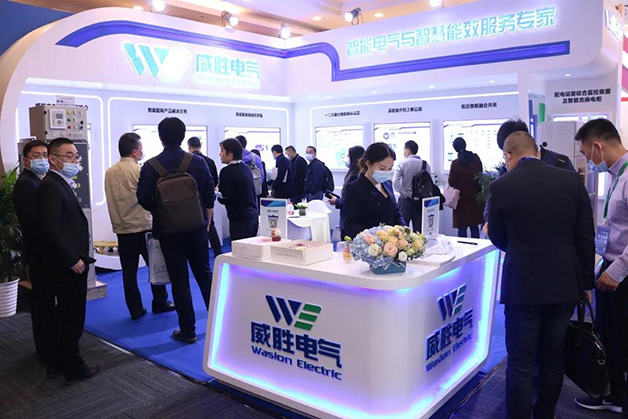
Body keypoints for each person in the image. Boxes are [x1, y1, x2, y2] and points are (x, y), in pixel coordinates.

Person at [488, 131, 595, 419]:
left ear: (508, 156)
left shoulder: (501, 186)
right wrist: (586, 284)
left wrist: (519, 249)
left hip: (522, 285)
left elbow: (497, 236)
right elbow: (585, 237)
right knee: (552, 359)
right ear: (537, 151)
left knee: (521, 362)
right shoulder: (570, 181)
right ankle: (545, 415)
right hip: (564, 284)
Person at [137, 117, 214, 344]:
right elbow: (209, 193)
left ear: (160, 137)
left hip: (168, 231)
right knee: (204, 275)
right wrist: (206, 220)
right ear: (183, 135)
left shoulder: (150, 166)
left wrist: (162, 210)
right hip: (197, 228)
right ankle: (220, 325)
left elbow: (143, 198)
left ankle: (188, 331)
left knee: (180, 281)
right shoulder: (197, 162)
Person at [574, 119, 628, 416]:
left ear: (597, 146)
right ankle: (616, 395)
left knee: (621, 337)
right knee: (610, 335)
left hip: (622, 274)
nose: (588, 161)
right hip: (610, 266)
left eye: (586, 154)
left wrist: (616, 271)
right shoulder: (617, 175)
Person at [37, 137, 99, 384]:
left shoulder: (59, 183)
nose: (75, 160)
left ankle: (60, 361)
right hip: (67, 264)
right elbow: (51, 228)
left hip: (70, 260)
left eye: (76, 156)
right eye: (69, 156)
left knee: (67, 313)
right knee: (70, 315)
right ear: (53, 159)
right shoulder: (51, 186)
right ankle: (74, 368)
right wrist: (73, 259)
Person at [105, 133, 174, 320]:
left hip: (121, 228)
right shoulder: (139, 170)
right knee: (155, 267)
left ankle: (135, 309)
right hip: (143, 226)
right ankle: (160, 302)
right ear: (135, 152)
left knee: (129, 273)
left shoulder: (110, 172)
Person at [12, 140, 57, 373]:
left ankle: (47, 347)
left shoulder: (40, 180)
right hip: (40, 253)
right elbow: (35, 222)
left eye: (44, 154)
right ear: (26, 160)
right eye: (36, 155)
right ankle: (46, 351)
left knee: (45, 302)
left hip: (44, 252)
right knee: (42, 303)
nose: (42, 159)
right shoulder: (26, 185)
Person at [343, 143, 405, 238]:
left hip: (392, 241)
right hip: (370, 242)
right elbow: (350, 224)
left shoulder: (387, 184)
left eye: (390, 168)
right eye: (382, 168)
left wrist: (402, 230)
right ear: (368, 163)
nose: (386, 172)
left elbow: (396, 213)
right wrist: (374, 238)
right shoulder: (354, 188)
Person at [187, 136, 223, 257]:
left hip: (191, 200)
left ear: (189, 147)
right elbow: (215, 182)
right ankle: (218, 252)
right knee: (210, 224)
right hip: (208, 198)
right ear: (200, 146)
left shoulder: (187, 162)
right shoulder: (210, 161)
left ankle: (195, 254)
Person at [218, 138, 259, 241]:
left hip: (239, 219)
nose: (220, 154)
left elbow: (224, 197)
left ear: (230, 153)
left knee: (238, 249)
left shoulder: (226, 171)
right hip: (252, 215)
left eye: (222, 150)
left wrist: (216, 193)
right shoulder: (246, 168)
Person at [448, 137, 484, 238]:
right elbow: (480, 175)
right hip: (475, 197)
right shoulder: (476, 159)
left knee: (462, 228)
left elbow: (451, 182)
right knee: (474, 227)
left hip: (461, 200)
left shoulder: (456, 164)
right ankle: (476, 247)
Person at [393, 140, 432, 232]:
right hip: (420, 201)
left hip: (405, 201)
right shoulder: (425, 164)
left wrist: (405, 194)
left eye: (404, 149)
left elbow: (395, 182)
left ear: (408, 151)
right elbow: (429, 183)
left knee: (402, 230)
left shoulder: (402, 163)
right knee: (418, 230)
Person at [327, 145, 364, 240]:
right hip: (349, 219)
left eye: (348, 156)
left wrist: (337, 201)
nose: (347, 159)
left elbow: (351, 201)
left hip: (351, 221)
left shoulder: (355, 177)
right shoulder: (354, 174)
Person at [236, 135, 265, 204]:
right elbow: (262, 177)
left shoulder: (234, 159)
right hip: (253, 194)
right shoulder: (256, 157)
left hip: (238, 196)